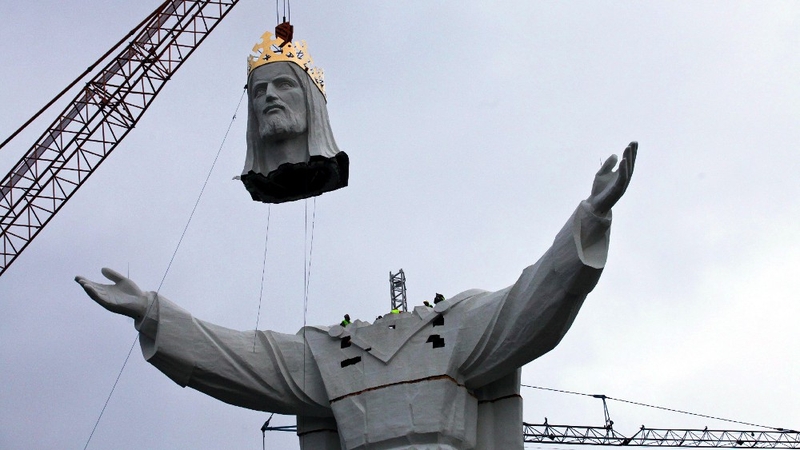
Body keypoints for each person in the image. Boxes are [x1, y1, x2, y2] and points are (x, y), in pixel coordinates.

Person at [76, 143, 636, 450]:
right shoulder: (328, 351)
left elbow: (534, 300)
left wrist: (589, 216)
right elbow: (237, 359)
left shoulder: (455, 324)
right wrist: (152, 312)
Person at [239, 31, 349, 204]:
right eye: (259, 90)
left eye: (284, 84)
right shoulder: (259, 185)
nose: (269, 95)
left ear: (311, 99)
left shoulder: (328, 172)